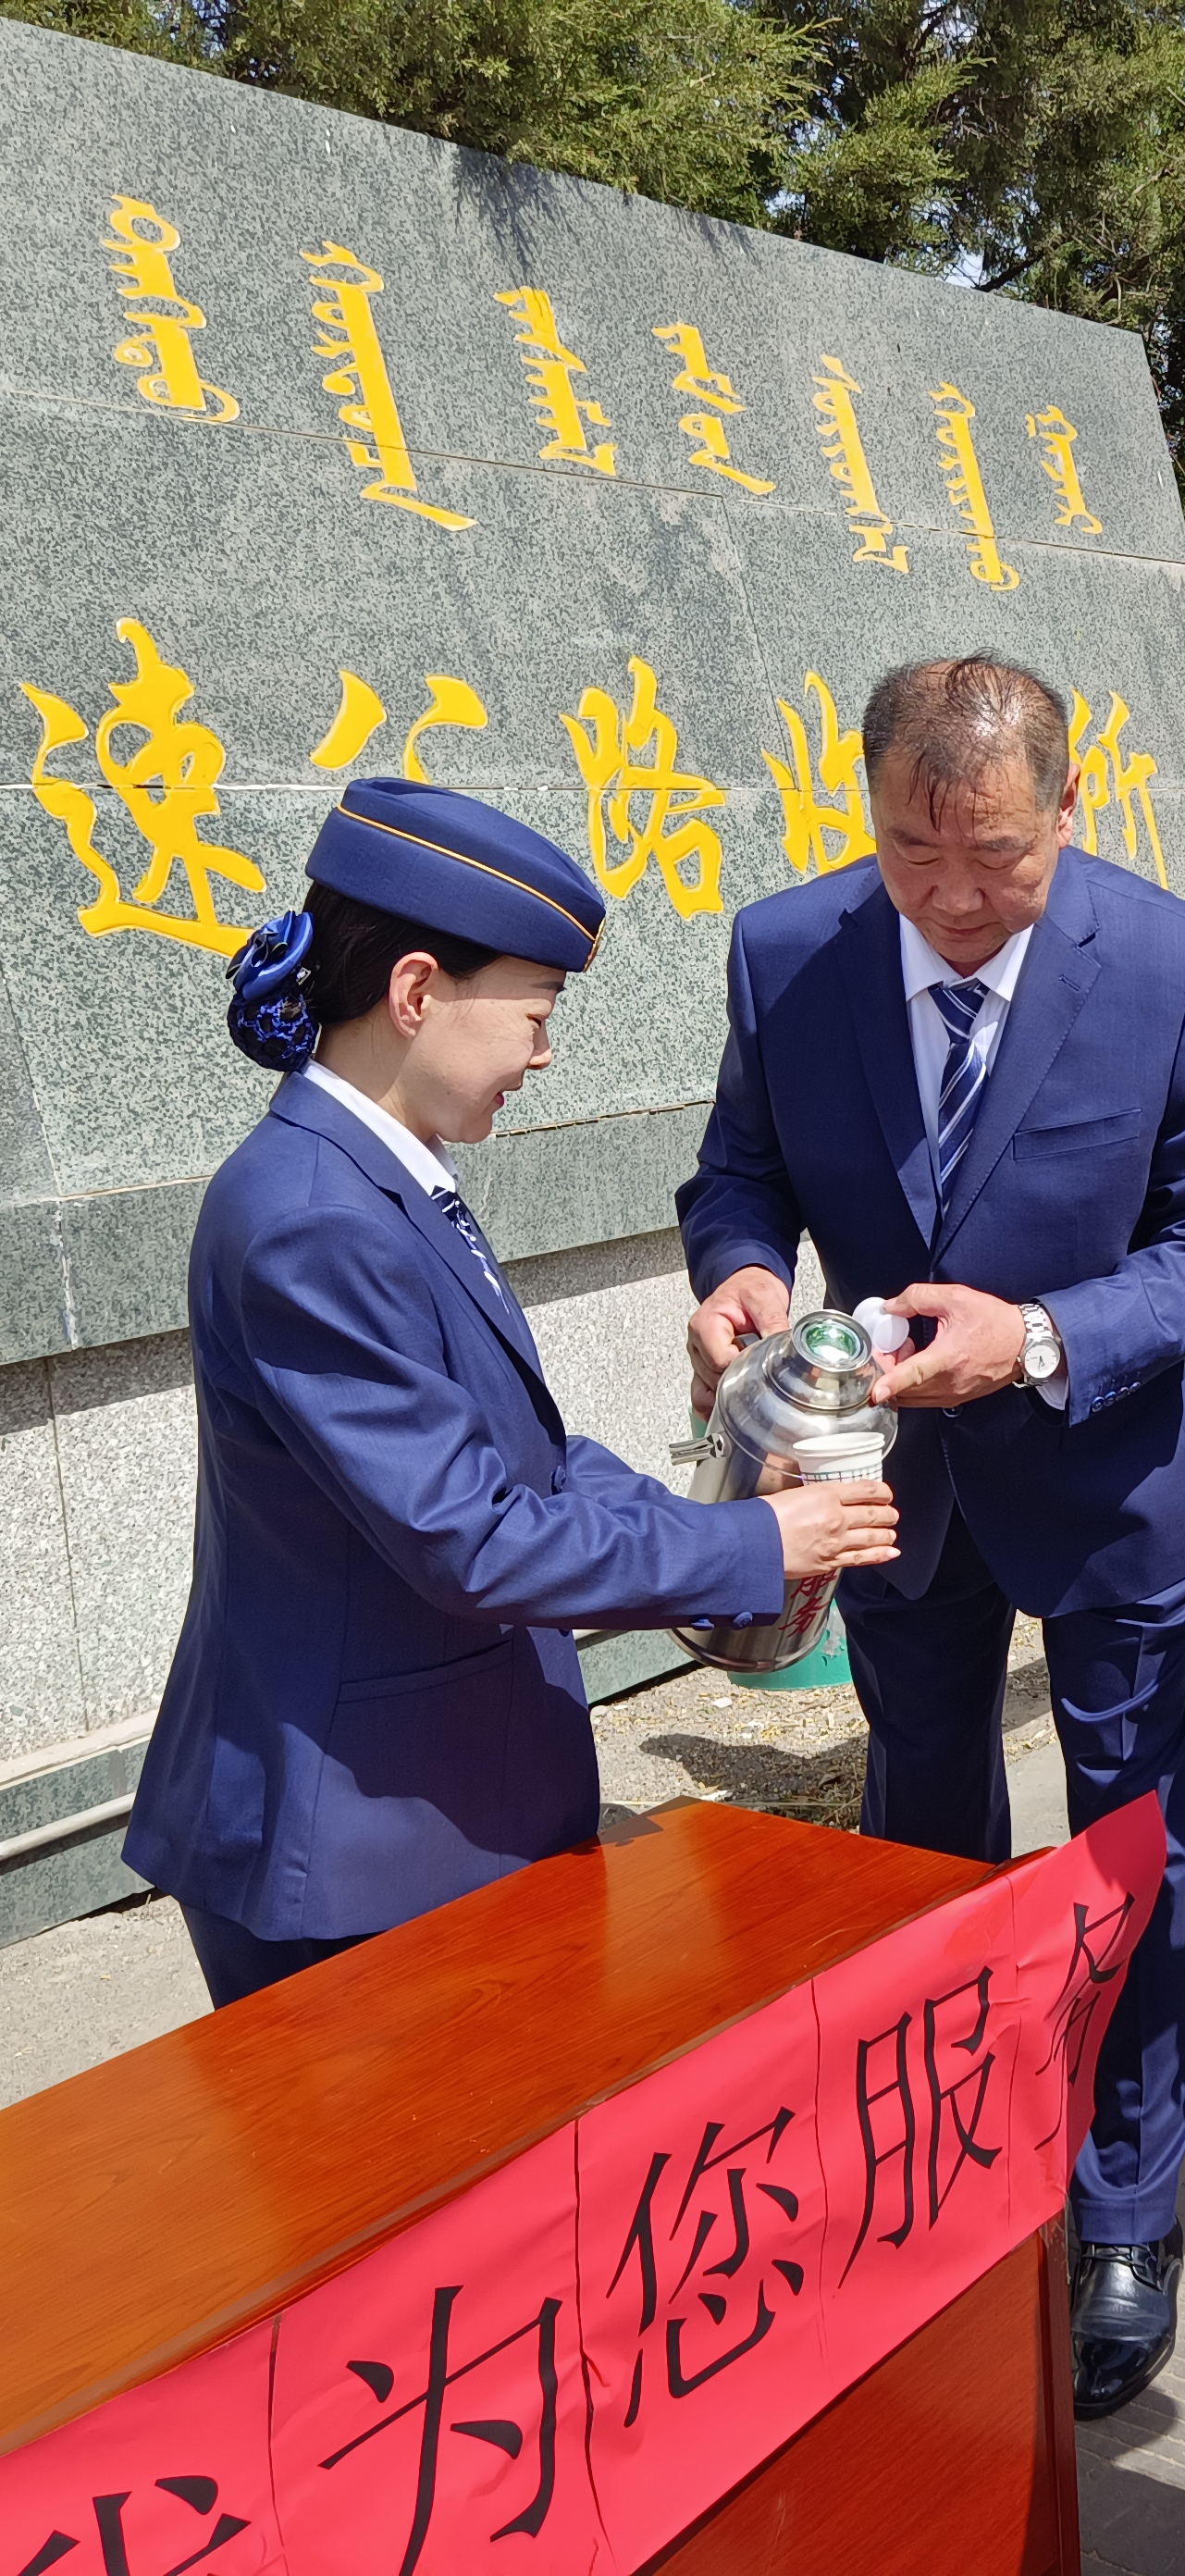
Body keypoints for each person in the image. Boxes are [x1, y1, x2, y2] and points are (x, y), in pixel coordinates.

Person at [678, 654, 1185, 2420]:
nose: (948, 899)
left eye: (997, 858)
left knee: (1132, 1850)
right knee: (918, 1827)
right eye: (910, 853)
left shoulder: (1172, 967)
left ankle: (1126, 2206)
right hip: (891, 1487)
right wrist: (743, 1274)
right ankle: (937, 2151)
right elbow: (738, 1169)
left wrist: (1038, 1338)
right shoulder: (789, 953)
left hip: (1106, 1483)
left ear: (1070, 812)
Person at [124, 780, 897, 2012]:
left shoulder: (381, 1176)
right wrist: (752, 1546)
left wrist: (739, 1502)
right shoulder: (311, 1218)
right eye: (534, 1014)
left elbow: (524, 1460)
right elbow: (468, 1537)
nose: (542, 1055)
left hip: (426, 1805)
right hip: (354, 1847)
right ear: (416, 992)